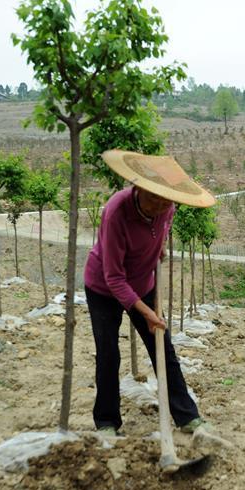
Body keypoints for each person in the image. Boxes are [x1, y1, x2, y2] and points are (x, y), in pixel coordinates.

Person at [83, 150, 216, 437]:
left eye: (166, 199)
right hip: (104, 288)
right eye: (154, 197)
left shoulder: (167, 207)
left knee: (164, 350)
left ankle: (187, 417)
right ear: (139, 187)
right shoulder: (116, 211)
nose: (160, 205)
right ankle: (106, 422)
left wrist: (157, 249)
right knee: (108, 354)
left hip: (143, 281)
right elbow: (114, 277)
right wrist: (148, 313)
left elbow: (159, 230)